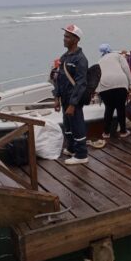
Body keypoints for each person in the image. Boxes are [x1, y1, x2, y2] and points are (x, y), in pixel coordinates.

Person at [53, 24, 89, 165]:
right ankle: (71, 148)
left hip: (74, 99)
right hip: (65, 98)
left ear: (76, 39)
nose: (64, 39)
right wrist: (57, 97)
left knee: (77, 125)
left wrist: (73, 104)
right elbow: (58, 78)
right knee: (67, 125)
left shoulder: (80, 59)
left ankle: (81, 155)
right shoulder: (64, 57)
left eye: (67, 37)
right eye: (64, 36)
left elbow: (81, 84)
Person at [96, 43, 131, 140]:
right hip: (120, 83)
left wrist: (97, 90)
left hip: (104, 86)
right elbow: (126, 69)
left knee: (109, 108)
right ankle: (123, 132)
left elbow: (97, 75)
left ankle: (106, 133)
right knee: (121, 108)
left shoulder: (100, 60)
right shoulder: (118, 56)